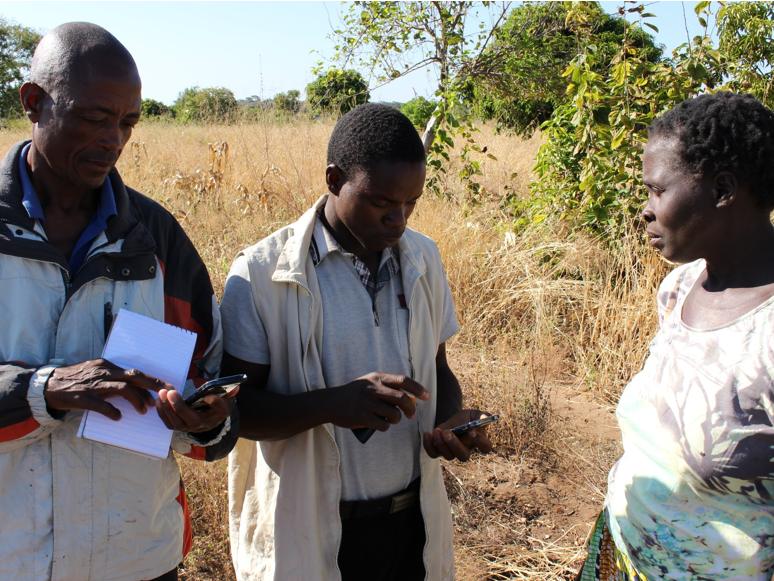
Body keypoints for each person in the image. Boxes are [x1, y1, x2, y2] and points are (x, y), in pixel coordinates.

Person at [0, 23, 238, 581]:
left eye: (128, 121)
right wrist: (45, 391)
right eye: (94, 117)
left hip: (139, 559)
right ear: (34, 103)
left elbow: (210, 384)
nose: (114, 139)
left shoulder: (156, 239)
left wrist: (202, 418)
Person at [221, 103, 493, 581]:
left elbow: (438, 369)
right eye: (382, 203)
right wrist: (332, 405)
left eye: (412, 203)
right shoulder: (261, 273)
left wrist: (448, 421)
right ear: (333, 180)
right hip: (312, 528)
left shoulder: (423, 259)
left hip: (410, 523)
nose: (399, 220)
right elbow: (238, 413)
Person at [577, 91, 774, 581]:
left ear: (723, 190)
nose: (645, 210)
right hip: (621, 551)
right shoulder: (679, 289)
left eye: (657, 191)